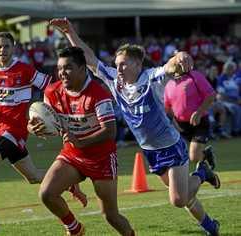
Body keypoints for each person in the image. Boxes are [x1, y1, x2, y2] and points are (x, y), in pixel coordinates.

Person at [49, 18, 221, 236]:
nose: (118, 67)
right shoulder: (115, 80)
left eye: (123, 64)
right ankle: (210, 225)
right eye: (117, 63)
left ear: (138, 64)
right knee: (184, 195)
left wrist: (179, 56)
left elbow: (171, 65)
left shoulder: (152, 77)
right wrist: (70, 32)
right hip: (150, 151)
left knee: (178, 199)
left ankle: (203, 173)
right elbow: (89, 58)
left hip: (171, 146)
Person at [0, 32, 86, 236]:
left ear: (13, 48)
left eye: (6, 46)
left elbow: (51, 85)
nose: (2, 50)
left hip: (15, 131)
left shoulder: (24, 70)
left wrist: (53, 106)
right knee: (33, 176)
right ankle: (70, 194)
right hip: (0, 132)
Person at [28, 47, 135, 236]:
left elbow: (110, 131)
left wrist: (81, 142)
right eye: (59, 68)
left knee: (110, 215)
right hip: (72, 155)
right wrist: (34, 128)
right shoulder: (52, 92)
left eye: (68, 68)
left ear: (83, 68)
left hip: (101, 159)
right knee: (47, 194)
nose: (62, 73)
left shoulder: (98, 94)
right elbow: (48, 122)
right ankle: (75, 229)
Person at [164, 69, 217, 168]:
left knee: (193, 157)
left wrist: (199, 112)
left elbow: (211, 95)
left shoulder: (195, 76)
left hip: (199, 122)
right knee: (178, 157)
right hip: (180, 126)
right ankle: (206, 155)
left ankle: (205, 161)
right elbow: (167, 107)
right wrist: (174, 124)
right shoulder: (169, 83)